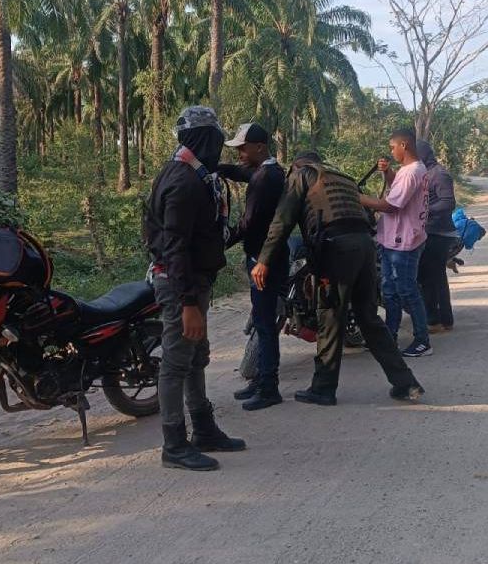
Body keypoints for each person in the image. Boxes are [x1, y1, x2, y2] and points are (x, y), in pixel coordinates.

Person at [251, 152, 425, 406]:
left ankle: (323, 388)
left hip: (336, 249)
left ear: (298, 165)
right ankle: (406, 383)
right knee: (369, 319)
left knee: (330, 316)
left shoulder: (301, 174)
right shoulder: (341, 176)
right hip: (365, 245)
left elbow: (283, 220)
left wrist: (263, 260)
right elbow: (366, 216)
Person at [144, 106, 246, 471]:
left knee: (195, 356)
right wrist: (187, 301)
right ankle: (174, 444)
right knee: (175, 363)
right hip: (180, 285)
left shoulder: (195, 172)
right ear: (206, 140)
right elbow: (175, 246)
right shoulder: (185, 183)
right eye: (217, 139)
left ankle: (203, 428)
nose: (220, 148)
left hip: (194, 281)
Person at [218, 123, 287, 411]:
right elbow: (241, 173)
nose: (240, 154)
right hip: (264, 257)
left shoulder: (266, 178)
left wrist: (221, 241)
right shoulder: (268, 171)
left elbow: (249, 223)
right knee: (262, 321)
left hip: (264, 261)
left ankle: (269, 387)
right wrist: (216, 167)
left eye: (243, 148)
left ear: (260, 147)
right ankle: (261, 380)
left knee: (265, 324)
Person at [360, 128, 432, 357]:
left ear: (404, 146)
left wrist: (356, 197)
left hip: (405, 242)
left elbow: (391, 205)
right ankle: (389, 335)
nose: (391, 151)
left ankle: (423, 341)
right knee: (389, 290)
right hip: (394, 239)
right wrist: (388, 173)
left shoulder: (412, 172)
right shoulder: (410, 169)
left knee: (407, 290)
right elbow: (398, 188)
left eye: (393, 147)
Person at [414, 140, 459, 332]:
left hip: (438, 232)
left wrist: (422, 211)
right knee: (435, 276)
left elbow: (448, 203)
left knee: (429, 277)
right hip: (432, 231)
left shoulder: (438, 174)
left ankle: (434, 320)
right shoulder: (426, 173)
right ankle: (444, 319)